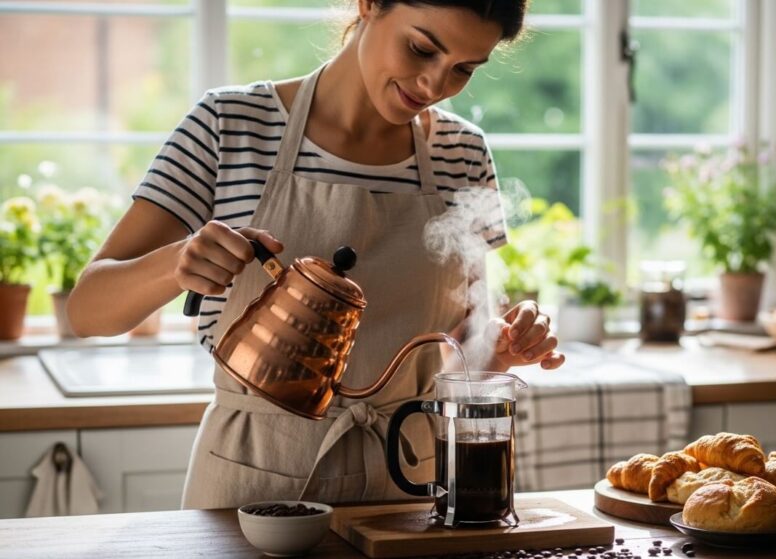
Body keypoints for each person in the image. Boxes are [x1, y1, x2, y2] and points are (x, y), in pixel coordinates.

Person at [67, 0, 564, 509]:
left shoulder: (462, 153)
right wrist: (176, 264)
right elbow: (87, 311)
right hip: (252, 481)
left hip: (405, 486)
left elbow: (462, 349)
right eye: (421, 48)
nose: (434, 85)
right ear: (368, 5)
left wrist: (501, 347)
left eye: (463, 69)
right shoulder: (230, 125)